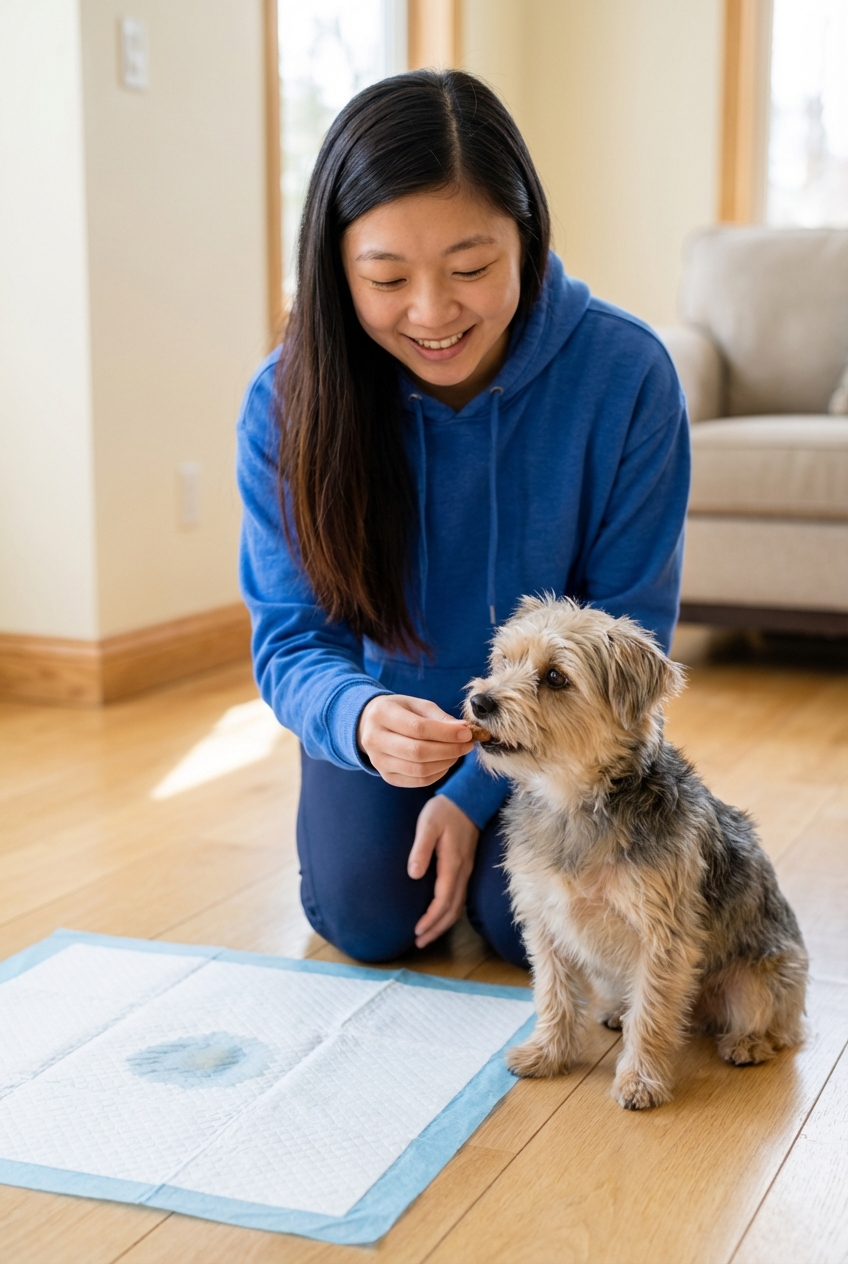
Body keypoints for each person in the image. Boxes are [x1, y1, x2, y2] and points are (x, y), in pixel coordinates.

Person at [237, 69, 690, 969]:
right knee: (368, 919)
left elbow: (630, 625)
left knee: (531, 930)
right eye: (387, 278)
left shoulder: (629, 376)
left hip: (554, 726)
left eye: (473, 269)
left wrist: (470, 798)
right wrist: (361, 720)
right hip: (385, 720)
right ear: (336, 270)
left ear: (526, 238)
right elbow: (288, 638)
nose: (434, 314)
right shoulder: (288, 401)